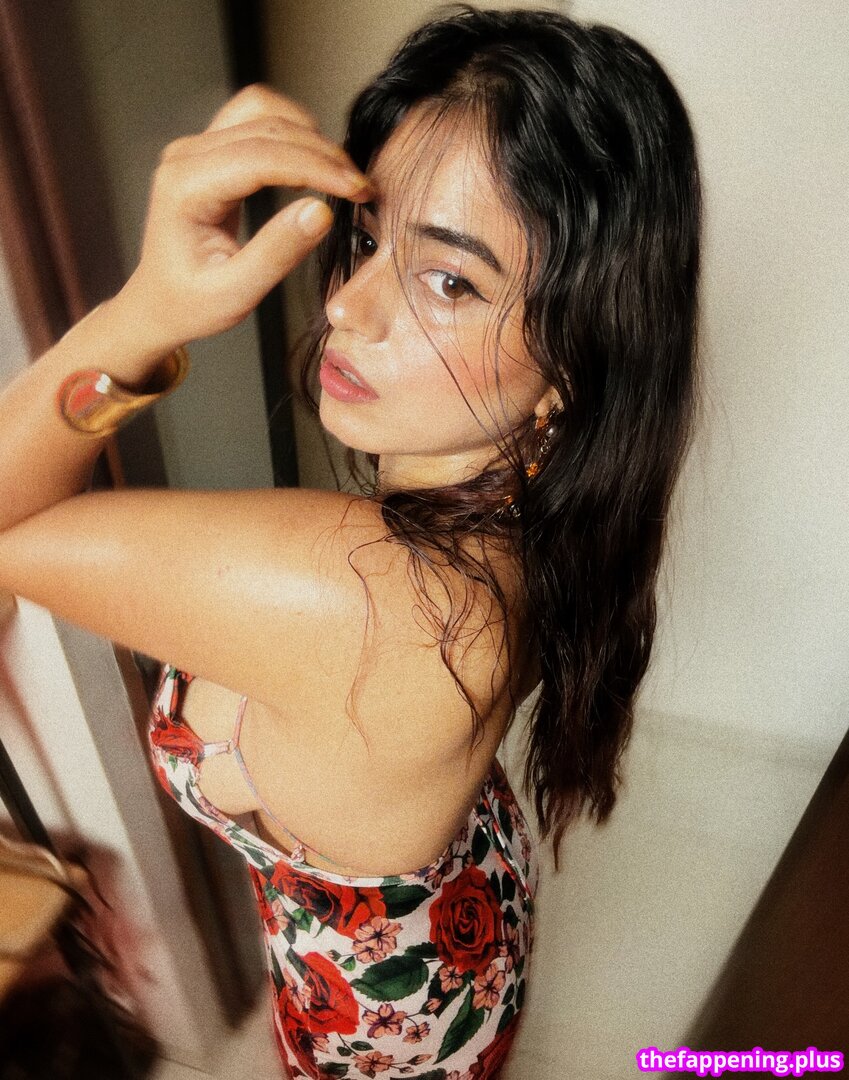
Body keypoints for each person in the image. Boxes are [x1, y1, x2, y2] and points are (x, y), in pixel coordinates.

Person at [0, 4, 702, 1077]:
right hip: (461, 919)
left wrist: (146, 310)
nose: (348, 308)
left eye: (450, 280)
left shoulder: (372, 599)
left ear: (574, 362)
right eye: (368, 241)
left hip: (379, 1035)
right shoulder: (528, 511)